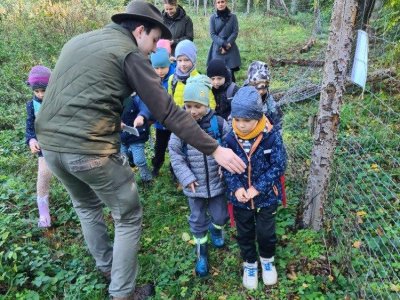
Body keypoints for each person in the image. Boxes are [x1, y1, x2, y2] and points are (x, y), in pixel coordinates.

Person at [35, 1, 245, 299]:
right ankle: (122, 292)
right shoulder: (130, 53)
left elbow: (73, 93)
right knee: (128, 215)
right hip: (89, 149)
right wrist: (214, 149)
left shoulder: (79, 40)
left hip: (51, 147)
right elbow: (169, 112)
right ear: (139, 30)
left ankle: (107, 266)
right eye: (154, 41)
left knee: (86, 207)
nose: (153, 51)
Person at [223, 86, 286, 289]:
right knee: (245, 233)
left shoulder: (271, 136)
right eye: (237, 119)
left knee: (266, 233)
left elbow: (279, 165)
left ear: (258, 118)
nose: (241, 125)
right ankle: (250, 263)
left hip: (266, 197)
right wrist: (236, 189)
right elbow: (227, 169)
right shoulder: (230, 139)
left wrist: (258, 187)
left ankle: (267, 260)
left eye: (247, 121)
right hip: (241, 199)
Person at [169, 75, 229, 277]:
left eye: (197, 106)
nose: (192, 111)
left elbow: (230, 147)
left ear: (207, 103)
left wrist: (225, 167)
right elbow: (176, 155)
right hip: (194, 186)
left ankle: (216, 229)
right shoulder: (181, 128)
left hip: (217, 182)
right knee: (197, 220)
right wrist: (186, 177)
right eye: (187, 106)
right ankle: (201, 252)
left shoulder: (219, 125)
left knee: (221, 216)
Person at [25, 65, 54, 228]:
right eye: (37, 92)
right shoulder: (31, 105)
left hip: (63, 144)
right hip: (44, 147)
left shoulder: (58, 100)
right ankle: (44, 214)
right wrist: (32, 140)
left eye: (43, 91)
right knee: (43, 175)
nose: (40, 95)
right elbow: (30, 127)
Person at [149, 47, 175, 177]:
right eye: (156, 68)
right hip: (160, 122)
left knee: (174, 147)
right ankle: (156, 166)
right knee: (159, 146)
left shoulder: (175, 76)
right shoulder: (151, 78)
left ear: (168, 64)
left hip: (174, 120)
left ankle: (174, 169)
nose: (160, 71)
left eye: (163, 67)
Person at [168, 39, 216, 109]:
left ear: (193, 59)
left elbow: (210, 104)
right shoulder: (172, 79)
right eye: (179, 60)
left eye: (186, 60)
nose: (183, 64)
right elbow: (170, 102)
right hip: (178, 118)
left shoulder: (201, 81)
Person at [120, 94, 153, 184]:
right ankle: (127, 180)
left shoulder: (137, 97)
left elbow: (146, 108)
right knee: (122, 159)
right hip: (122, 136)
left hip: (137, 136)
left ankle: (147, 179)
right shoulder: (117, 98)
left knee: (139, 161)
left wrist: (141, 116)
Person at [207, 0, 241, 82]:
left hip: (231, 47)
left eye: (222, 2)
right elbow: (212, 34)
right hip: (217, 48)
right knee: (217, 72)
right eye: (218, 2)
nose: (220, 4)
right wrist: (223, 44)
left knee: (230, 73)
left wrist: (228, 44)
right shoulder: (212, 18)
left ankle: (232, 91)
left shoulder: (233, 17)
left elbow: (235, 32)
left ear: (226, 3)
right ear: (215, 4)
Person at [244, 61, 283, 132]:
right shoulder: (242, 98)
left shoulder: (268, 99)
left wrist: (277, 134)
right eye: (257, 87)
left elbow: (277, 120)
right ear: (251, 84)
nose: (261, 91)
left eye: (264, 87)